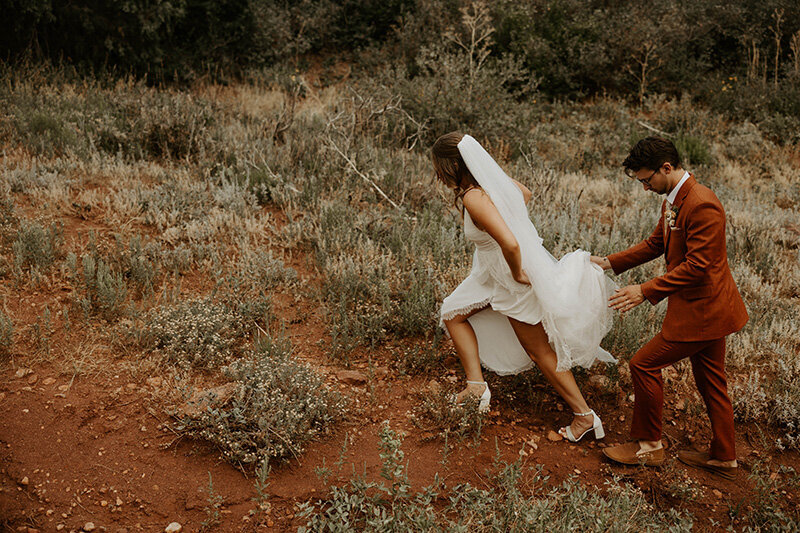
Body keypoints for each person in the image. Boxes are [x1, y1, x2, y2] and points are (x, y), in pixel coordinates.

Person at [433, 132, 616, 442]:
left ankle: (584, 416)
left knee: (539, 350)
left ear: (453, 165)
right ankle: (476, 388)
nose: (438, 174)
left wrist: (517, 274)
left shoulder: (473, 197)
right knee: (452, 312)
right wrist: (488, 171)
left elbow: (510, 242)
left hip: (509, 279)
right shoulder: (484, 189)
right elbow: (526, 194)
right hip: (489, 276)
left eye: (439, 167)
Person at [592, 136, 747, 479]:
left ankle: (649, 446)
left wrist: (644, 290)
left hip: (704, 312)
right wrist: (608, 262)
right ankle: (724, 456)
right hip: (710, 308)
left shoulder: (702, 203)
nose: (646, 188)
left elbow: (698, 267)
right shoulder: (674, 200)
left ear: (666, 168)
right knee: (711, 382)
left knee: (643, 364)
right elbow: (657, 243)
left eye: (647, 180)